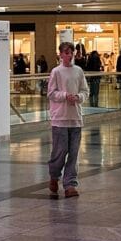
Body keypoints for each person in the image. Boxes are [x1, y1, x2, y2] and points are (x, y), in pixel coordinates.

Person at [46, 41, 88, 198]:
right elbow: (51, 93)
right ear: (60, 54)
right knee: (60, 151)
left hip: (75, 118)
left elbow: (85, 90)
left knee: (74, 152)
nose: (69, 55)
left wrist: (79, 97)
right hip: (60, 119)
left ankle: (70, 184)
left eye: (71, 52)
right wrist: (65, 95)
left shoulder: (78, 71)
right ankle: (54, 175)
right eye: (66, 52)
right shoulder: (56, 72)